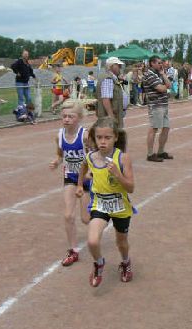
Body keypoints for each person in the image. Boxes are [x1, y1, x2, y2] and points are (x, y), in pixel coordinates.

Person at [76, 117, 135, 287]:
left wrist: (118, 174)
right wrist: (80, 185)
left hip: (120, 206)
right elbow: (83, 168)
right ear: (94, 138)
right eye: (99, 137)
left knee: (121, 243)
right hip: (100, 204)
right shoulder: (90, 157)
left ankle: (125, 262)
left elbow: (131, 188)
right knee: (92, 241)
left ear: (115, 137)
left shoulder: (122, 158)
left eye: (107, 138)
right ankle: (99, 263)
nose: (102, 141)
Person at [49, 102, 91, 266]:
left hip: (86, 179)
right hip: (70, 177)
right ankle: (73, 250)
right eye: (64, 116)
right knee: (68, 215)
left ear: (79, 118)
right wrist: (56, 162)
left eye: (70, 116)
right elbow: (60, 155)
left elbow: (94, 156)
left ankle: (101, 218)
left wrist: (90, 172)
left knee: (86, 219)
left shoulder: (85, 136)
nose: (66, 119)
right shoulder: (59, 135)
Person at [143, 56, 173, 162]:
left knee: (166, 128)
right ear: (152, 63)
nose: (161, 64)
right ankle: (150, 154)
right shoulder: (149, 75)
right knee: (154, 128)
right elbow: (161, 88)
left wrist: (163, 74)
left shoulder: (158, 74)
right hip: (156, 106)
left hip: (163, 105)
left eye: (161, 63)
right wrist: (165, 87)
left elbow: (169, 85)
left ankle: (161, 151)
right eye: (159, 63)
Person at [96, 57, 126, 128]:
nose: (120, 67)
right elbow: (106, 99)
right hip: (111, 115)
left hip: (114, 113)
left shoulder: (111, 77)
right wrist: (111, 116)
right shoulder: (108, 78)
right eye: (118, 65)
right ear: (111, 66)